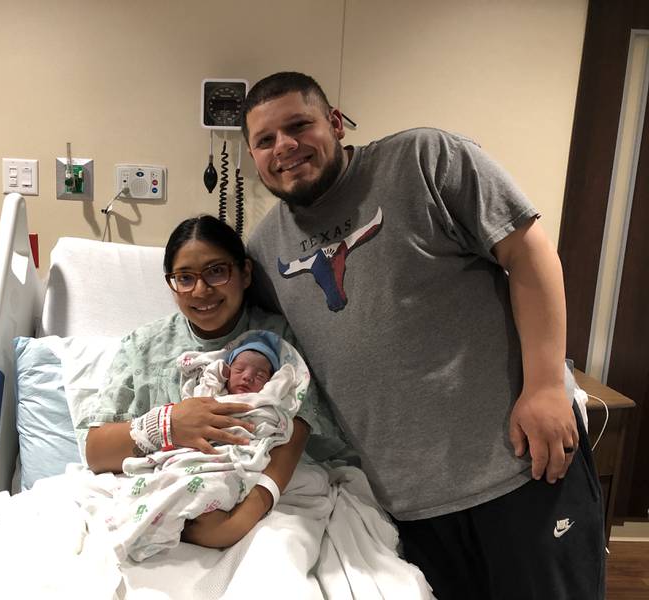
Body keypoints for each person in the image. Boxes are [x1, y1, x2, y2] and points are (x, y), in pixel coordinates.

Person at [240, 71, 604, 599]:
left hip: (520, 468)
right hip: (408, 510)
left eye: (299, 125)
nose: (285, 147)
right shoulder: (265, 251)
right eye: (265, 140)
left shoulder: (423, 159)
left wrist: (546, 385)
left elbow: (529, 251)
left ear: (336, 124)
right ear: (253, 155)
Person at [77, 214, 344, 550]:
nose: (201, 290)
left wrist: (239, 521)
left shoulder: (278, 338)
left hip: (259, 500)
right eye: (184, 278)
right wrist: (168, 424)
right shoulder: (142, 348)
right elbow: (96, 452)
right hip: (166, 500)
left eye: (217, 271)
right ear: (171, 283)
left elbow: (296, 428)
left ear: (245, 273)